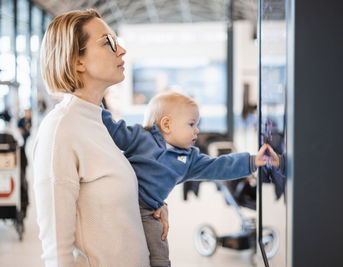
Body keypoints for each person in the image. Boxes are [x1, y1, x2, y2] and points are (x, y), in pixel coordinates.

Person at [33, 9, 168, 266]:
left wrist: (149, 210)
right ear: (77, 61)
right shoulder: (61, 130)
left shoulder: (99, 123)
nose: (121, 51)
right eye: (108, 42)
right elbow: (56, 253)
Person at [102, 92, 284, 267]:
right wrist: (97, 104)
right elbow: (113, 130)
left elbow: (219, 166)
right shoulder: (140, 137)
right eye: (191, 124)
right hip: (120, 201)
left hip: (150, 212)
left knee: (159, 251)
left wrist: (253, 160)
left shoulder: (189, 159)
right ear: (166, 125)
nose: (197, 130)